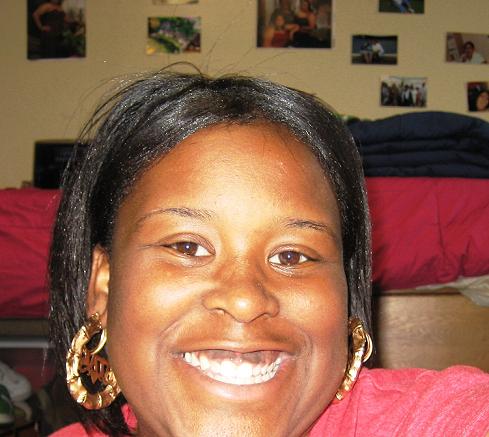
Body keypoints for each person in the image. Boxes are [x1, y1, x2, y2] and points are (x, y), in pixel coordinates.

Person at [49, 69, 489, 436]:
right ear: (103, 286)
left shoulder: (431, 419)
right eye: (187, 247)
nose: (245, 299)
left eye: (291, 256)